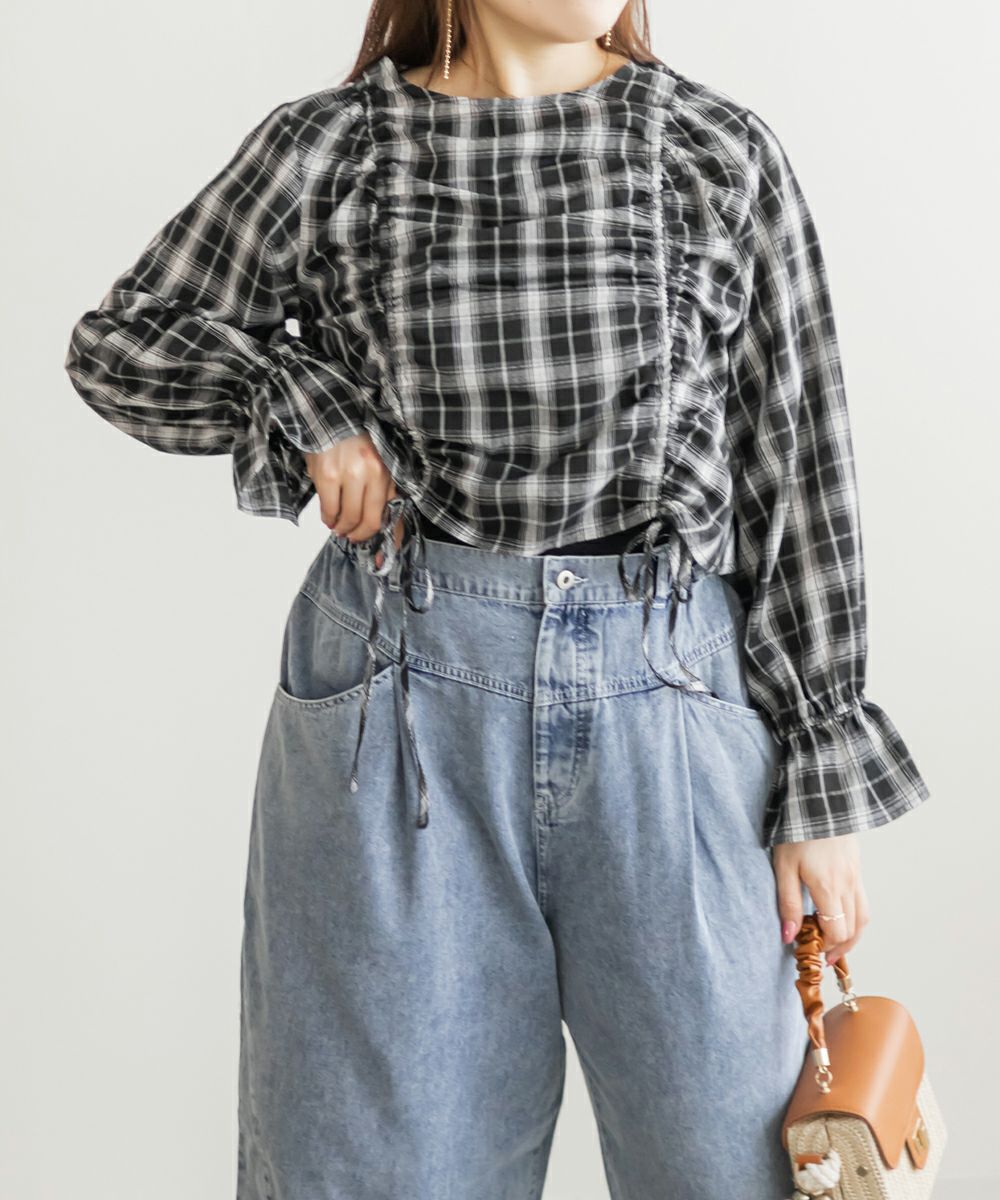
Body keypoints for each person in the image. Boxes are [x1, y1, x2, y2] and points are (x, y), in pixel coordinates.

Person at [63, 2, 931, 1196]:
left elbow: (801, 471)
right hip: (396, 711)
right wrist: (296, 397)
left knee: (734, 1170)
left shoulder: (716, 153)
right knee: (374, 1173)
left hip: (675, 714)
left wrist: (820, 790)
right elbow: (121, 344)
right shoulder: (326, 150)